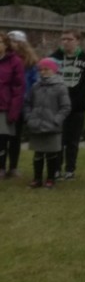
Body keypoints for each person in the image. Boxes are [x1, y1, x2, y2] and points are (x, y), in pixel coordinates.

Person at [50, 29, 85, 180]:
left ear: (78, 41)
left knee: (72, 140)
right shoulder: (54, 58)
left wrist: (74, 104)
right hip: (57, 106)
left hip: (77, 107)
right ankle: (56, 169)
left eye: (69, 39)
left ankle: (70, 169)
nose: (66, 42)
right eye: (63, 39)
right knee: (58, 139)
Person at [24, 57, 70, 188]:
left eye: (47, 69)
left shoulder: (60, 87)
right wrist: (29, 117)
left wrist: (57, 120)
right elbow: (27, 103)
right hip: (36, 124)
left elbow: (65, 107)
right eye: (41, 69)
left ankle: (50, 178)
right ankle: (37, 178)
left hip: (52, 126)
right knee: (38, 153)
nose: (43, 72)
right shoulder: (35, 87)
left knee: (51, 154)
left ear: (54, 70)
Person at [4, 31, 38, 179]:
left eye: (14, 41)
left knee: (15, 137)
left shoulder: (30, 63)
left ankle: (13, 167)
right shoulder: (5, 59)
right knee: (2, 137)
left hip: (21, 104)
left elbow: (34, 83)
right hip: (5, 102)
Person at [0, 31, 25, 179]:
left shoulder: (15, 61)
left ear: (5, 44)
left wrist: (14, 110)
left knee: (3, 138)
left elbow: (18, 87)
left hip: (5, 106)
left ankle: (5, 168)